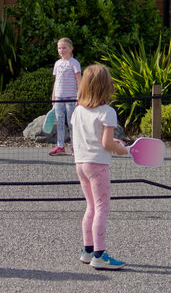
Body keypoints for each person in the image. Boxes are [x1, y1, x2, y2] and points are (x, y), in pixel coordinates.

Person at [71, 64, 128, 270]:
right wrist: (121, 149)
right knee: (102, 209)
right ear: (107, 86)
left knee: (91, 207)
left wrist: (114, 142)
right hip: (98, 165)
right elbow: (106, 144)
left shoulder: (77, 110)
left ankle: (87, 251)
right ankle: (99, 255)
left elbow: (81, 138)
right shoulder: (108, 112)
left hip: (81, 163)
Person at [49, 37, 82, 156]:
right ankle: (60, 146)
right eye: (59, 48)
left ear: (70, 48)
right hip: (59, 98)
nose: (61, 50)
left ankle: (75, 147)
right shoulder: (57, 64)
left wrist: (79, 97)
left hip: (71, 98)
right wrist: (53, 96)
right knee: (60, 122)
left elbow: (79, 81)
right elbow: (56, 81)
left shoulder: (74, 63)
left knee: (72, 122)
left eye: (64, 48)